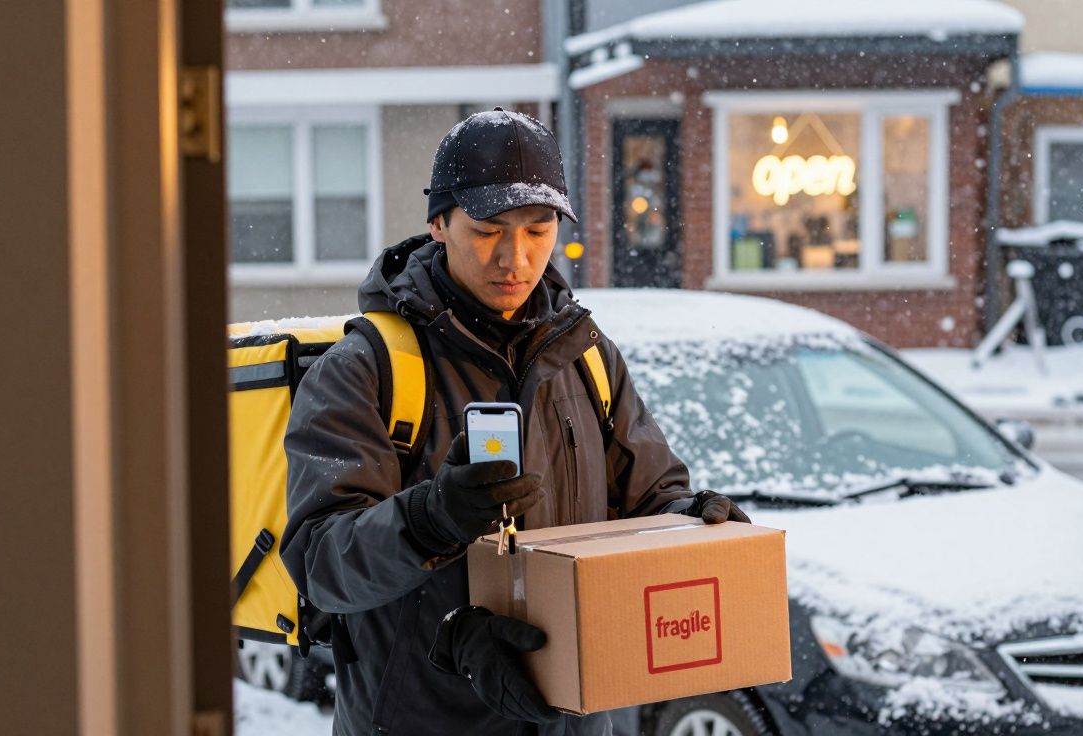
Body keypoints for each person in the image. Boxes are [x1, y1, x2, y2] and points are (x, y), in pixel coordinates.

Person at [280, 108, 748, 736]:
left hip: (574, 720)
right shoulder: (369, 367)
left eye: (538, 228)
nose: (516, 258)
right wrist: (427, 523)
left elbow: (649, 499)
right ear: (438, 223)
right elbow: (319, 564)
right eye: (488, 229)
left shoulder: (586, 356)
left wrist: (690, 522)